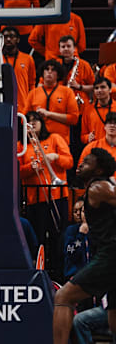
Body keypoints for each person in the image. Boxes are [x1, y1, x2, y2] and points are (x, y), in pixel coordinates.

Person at [53, 147, 116, 343]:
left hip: (110, 255)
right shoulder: (98, 188)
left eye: (87, 162)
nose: (80, 164)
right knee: (113, 315)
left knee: (63, 297)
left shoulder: (99, 187)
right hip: (108, 253)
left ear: (98, 170)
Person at [19, 111, 72, 275]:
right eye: (29, 121)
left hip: (57, 195)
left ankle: (60, 271)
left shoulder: (55, 138)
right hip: (35, 198)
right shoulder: (22, 146)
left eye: (36, 120)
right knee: (39, 236)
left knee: (59, 235)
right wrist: (30, 168)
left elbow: (69, 162)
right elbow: (18, 172)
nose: (33, 124)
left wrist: (56, 157)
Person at [22, 60, 79, 142]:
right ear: (42, 73)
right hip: (38, 141)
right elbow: (23, 119)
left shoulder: (67, 92)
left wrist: (48, 114)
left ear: (58, 74)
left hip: (61, 141)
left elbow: (74, 119)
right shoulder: (33, 93)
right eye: (47, 69)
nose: (49, 72)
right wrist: (35, 117)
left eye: (53, 70)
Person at [2, 26, 36, 112]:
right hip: (1, 105)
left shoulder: (28, 59)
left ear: (18, 39)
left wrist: (31, 103)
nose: (8, 39)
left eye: (12, 36)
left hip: (23, 107)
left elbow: (32, 83)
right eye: (5, 37)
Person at [82, 77, 116, 145]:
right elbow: (83, 136)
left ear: (110, 90)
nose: (99, 90)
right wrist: (87, 137)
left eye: (103, 87)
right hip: (96, 149)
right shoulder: (88, 110)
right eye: (96, 88)